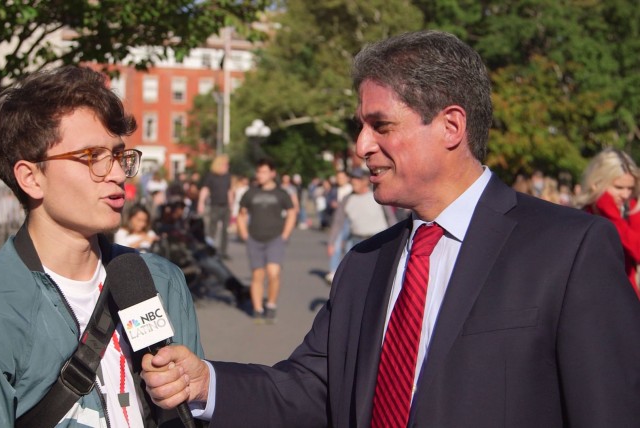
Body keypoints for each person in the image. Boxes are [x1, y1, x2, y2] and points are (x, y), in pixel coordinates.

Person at [140, 30, 640, 427]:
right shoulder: (364, 263)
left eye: (381, 126)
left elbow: (609, 410)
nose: (361, 146)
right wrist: (205, 382)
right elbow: (312, 388)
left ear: (450, 126)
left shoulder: (567, 249)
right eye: (361, 126)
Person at [0, 66, 204, 427]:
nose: (119, 174)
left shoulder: (158, 280)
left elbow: (193, 416)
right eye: (92, 157)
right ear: (31, 177)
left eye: (119, 155)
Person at [236, 159, 296, 323]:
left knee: (273, 273)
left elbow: (291, 212)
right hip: (254, 239)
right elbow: (241, 213)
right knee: (257, 275)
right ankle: (257, 309)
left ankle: (270, 304)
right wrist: (243, 233)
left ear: (272, 173)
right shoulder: (250, 193)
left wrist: (285, 234)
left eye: (263, 172)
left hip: (275, 238)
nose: (259, 175)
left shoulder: (281, 193)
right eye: (258, 172)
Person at [576, 148, 640, 298]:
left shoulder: (632, 209)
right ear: (596, 183)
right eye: (618, 187)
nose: (625, 194)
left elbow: (637, 249)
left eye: (630, 188)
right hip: (591, 295)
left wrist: (609, 210)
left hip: (626, 298)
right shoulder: (583, 213)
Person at [197, 155, 233, 259]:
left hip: (225, 205)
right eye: (225, 165)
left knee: (225, 230)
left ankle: (223, 251)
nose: (227, 167)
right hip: (215, 205)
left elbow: (229, 190)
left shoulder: (227, 176)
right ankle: (210, 249)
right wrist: (201, 203)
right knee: (212, 229)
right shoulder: (211, 176)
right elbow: (205, 190)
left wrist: (231, 204)